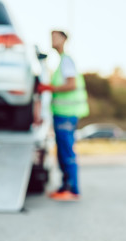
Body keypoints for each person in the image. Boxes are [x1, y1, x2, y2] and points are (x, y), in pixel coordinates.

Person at [37, 30, 89, 201]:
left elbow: (71, 85)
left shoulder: (66, 61)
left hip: (67, 114)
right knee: (62, 150)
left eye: (55, 37)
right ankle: (65, 186)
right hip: (62, 114)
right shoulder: (61, 62)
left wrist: (49, 88)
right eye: (51, 37)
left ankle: (72, 189)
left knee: (66, 151)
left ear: (64, 39)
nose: (52, 40)